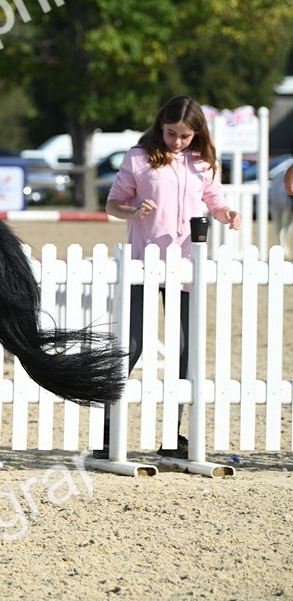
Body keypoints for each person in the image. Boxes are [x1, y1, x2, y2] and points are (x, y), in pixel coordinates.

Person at [103, 95, 241, 458]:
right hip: (142, 266)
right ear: (159, 125)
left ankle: (172, 436)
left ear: (198, 133)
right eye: (171, 133)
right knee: (132, 346)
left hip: (185, 268)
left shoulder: (205, 162)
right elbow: (113, 203)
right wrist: (133, 211)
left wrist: (227, 214)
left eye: (185, 136)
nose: (177, 142)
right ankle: (108, 431)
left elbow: (216, 201)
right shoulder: (138, 157)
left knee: (184, 351)